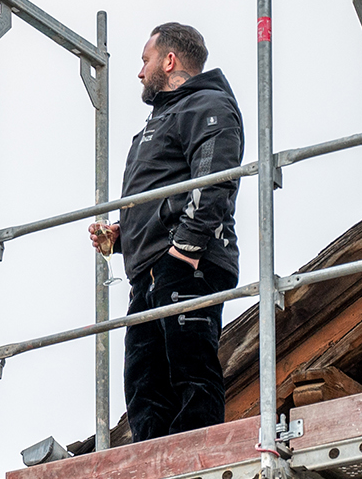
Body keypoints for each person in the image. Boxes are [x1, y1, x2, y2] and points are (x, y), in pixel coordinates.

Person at [86, 23, 244, 441]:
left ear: (169, 60)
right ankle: (154, 474)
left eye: (145, 60)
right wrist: (122, 234)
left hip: (187, 265)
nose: (140, 72)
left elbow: (215, 182)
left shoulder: (207, 106)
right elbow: (166, 197)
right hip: (153, 269)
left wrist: (184, 251)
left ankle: (196, 472)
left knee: (191, 375)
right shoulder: (166, 117)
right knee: (144, 384)